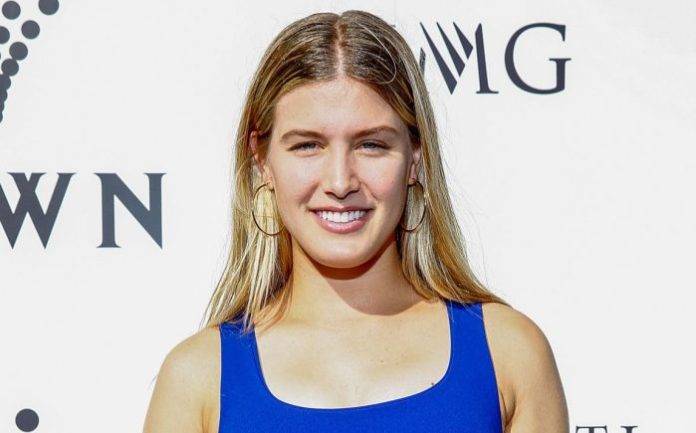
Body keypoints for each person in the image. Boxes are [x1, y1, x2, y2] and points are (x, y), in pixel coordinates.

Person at [143, 10, 568, 433]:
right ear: (261, 159)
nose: (340, 182)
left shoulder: (508, 354)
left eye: (371, 145)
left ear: (415, 156)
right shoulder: (197, 380)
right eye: (308, 146)